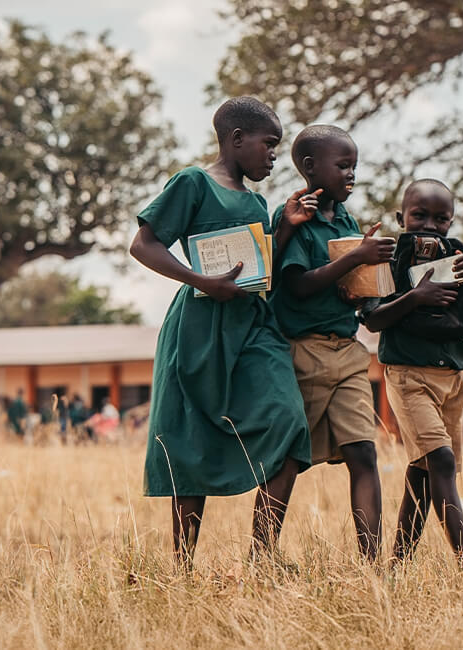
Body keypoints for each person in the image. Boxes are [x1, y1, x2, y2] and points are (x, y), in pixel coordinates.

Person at [127, 96, 321, 569]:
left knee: (290, 422)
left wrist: (286, 229)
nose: (274, 155)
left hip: (253, 326)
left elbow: (255, 265)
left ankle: (263, 556)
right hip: (197, 327)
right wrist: (201, 281)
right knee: (191, 437)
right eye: (269, 144)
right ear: (237, 139)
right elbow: (143, 244)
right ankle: (182, 567)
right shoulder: (193, 182)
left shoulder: (258, 201)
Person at [268, 124, 395, 562]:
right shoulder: (292, 220)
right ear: (309, 167)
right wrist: (357, 258)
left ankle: (373, 565)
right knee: (289, 458)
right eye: (343, 166)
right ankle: (262, 555)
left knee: (364, 452)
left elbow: (345, 285)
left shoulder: (345, 221)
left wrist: (360, 279)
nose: (351, 175)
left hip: (347, 350)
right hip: (302, 353)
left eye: (354, 167)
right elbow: (297, 287)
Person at [362, 179, 463, 588]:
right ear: (402, 218)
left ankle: (397, 568)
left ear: (452, 221)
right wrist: (416, 297)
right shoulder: (388, 259)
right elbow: (373, 318)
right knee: (441, 462)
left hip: (452, 380)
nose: (430, 225)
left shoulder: (459, 258)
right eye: (419, 215)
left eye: (441, 218)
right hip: (408, 376)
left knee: (423, 472)